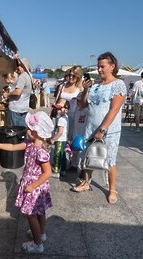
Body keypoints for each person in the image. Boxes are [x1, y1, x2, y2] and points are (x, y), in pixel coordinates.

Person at [0, 111, 54, 254]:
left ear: (35, 132)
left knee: (30, 215)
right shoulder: (29, 144)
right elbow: (11, 147)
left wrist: (32, 186)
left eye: (29, 128)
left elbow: (48, 173)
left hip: (35, 186)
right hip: (34, 185)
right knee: (40, 211)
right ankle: (41, 234)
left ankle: (37, 245)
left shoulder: (41, 152)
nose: (26, 130)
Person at [72, 52, 126, 205]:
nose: (100, 69)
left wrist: (102, 129)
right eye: (98, 66)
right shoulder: (95, 85)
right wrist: (85, 90)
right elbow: (83, 105)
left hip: (109, 130)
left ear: (112, 66)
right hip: (90, 127)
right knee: (88, 156)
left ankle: (112, 189)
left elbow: (114, 109)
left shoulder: (118, 84)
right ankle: (86, 182)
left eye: (102, 66)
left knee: (110, 159)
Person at [53, 66, 83, 139]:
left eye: (73, 76)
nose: (71, 77)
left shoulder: (80, 89)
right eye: (69, 75)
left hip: (73, 117)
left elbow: (82, 105)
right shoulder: (62, 86)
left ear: (78, 77)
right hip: (60, 116)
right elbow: (56, 100)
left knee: (70, 139)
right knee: (60, 138)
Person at [3, 56, 32, 127]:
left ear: (23, 67)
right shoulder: (28, 76)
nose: (18, 67)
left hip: (16, 109)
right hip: (23, 108)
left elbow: (18, 92)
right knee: (21, 130)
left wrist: (7, 94)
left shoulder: (22, 77)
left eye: (20, 65)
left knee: (14, 130)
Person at [50, 99, 70, 177]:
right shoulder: (65, 117)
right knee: (63, 155)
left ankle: (56, 171)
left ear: (65, 109)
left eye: (58, 108)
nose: (56, 110)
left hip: (59, 140)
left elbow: (60, 132)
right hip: (64, 139)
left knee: (57, 155)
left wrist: (53, 139)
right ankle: (63, 170)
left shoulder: (61, 119)